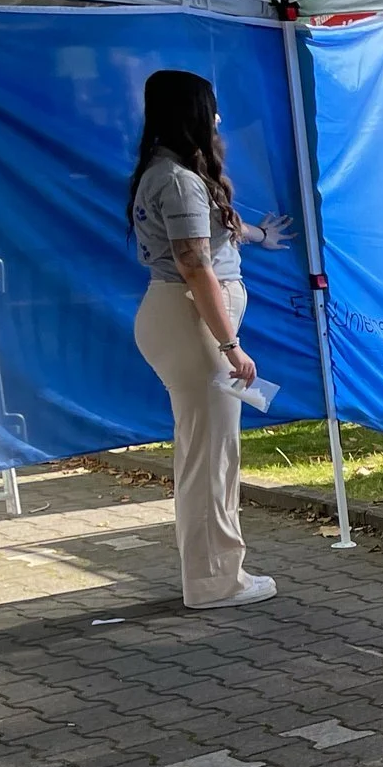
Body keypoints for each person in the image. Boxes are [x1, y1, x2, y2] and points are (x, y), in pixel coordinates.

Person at [129, 69, 294, 609]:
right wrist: (229, 346)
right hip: (192, 325)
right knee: (211, 458)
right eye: (212, 108)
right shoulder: (176, 179)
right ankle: (215, 581)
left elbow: (208, 232)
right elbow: (195, 264)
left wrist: (257, 236)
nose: (219, 117)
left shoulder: (170, 171)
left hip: (183, 321)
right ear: (193, 113)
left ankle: (212, 572)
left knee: (205, 454)